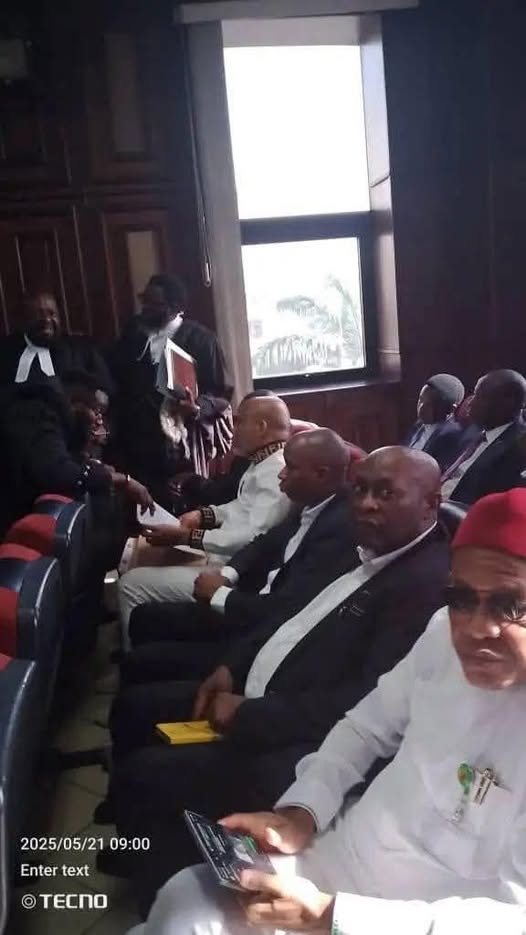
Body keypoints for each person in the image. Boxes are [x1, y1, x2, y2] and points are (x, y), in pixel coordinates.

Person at [135, 486, 526, 935]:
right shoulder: (441, 635)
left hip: (412, 921)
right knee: (187, 900)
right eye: (462, 599)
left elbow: (514, 917)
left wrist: (332, 917)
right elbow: (364, 728)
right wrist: (301, 814)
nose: (477, 629)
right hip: (340, 857)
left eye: (510, 605)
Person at [100, 447, 450, 912]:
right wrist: (232, 667)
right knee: (138, 706)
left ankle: (158, 887)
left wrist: (252, 713)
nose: (367, 504)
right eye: (361, 490)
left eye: (386, 494)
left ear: (430, 504)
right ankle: (137, 840)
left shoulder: (425, 585)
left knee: (153, 772)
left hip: (296, 736)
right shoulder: (364, 544)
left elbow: (360, 700)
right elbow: (287, 616)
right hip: (259, 686)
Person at [117, 428, 359, 685]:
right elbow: (263, 542)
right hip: (249, 600)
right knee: (145, 619)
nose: (282, 473)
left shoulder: (339, 529)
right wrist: (226, 575)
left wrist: (219, 594)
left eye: (291, 468)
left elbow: (287, 610)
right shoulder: (313, 502)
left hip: (263, 633)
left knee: (140, 661)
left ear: (321, 474)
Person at [117, 395, 292, 644]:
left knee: (130, 584)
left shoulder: (275, 471)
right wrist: (202, 515)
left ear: (261, 427)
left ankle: (134, 659)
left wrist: (189, 537)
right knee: (142, 556)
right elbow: (240, 508)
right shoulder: (263, 462)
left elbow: (253, 538)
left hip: (236, 575)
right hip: (222, 555)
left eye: (239, 421)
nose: (233, 428)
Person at [109, 273, 232, 505]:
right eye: (144, 301)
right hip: (134, 442)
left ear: (175, 307)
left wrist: (196, 407)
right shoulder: (132, 333)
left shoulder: (202, 339)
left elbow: (220, 392)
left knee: (180, 505)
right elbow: (115, 376)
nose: (145, 308)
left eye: (153, 304)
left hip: (179, 441)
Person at [0, 371, 153, 531]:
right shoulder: (35, 411)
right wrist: (121, 480)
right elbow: (58, 472)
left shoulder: (52, 416)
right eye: (96, 411)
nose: (98, 421)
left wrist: (91, 465)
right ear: (77, 403)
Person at [441, 369, 526, 504]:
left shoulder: (520, 447)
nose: (470, 403)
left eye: (479, 396)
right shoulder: (473, 430)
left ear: (507, 404)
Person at [0, 289, 112, 390]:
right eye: (38, 314)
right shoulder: (6, 353)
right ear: (25, 319)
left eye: (52, 314)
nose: (46, 320)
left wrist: (100, 397)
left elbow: (107, 386)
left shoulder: (82, 348)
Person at [405, 372, 466, 470]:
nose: (421, 408)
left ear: (450, 409)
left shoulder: (453, 438)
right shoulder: (418, 425)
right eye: (421, 400)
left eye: (429, 404)